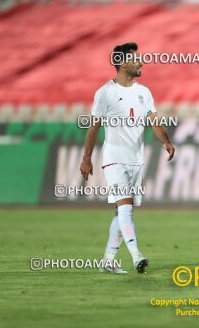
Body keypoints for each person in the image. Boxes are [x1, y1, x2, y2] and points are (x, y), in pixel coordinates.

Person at [80, 42, 175, 274]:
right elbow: (94, 127)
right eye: (136, 59)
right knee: (125, 209)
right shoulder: (105, 93)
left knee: (122, 211)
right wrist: (86, 158)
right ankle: (136, 256)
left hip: (136, 159)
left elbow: (153, 120)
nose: (141, 62)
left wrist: (166, 141)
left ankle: (109, 260)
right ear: (122, 63)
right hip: (114, 158)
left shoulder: (144, 92)